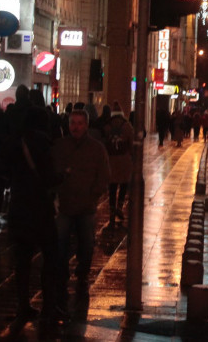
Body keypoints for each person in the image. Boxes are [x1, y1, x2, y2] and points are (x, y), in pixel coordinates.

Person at [3, 105, 61, 325]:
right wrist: (62, 177)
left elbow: (1, 164)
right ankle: (49, 306)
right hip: (40, 208)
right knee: (51, 256)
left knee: (22, 260)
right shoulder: (45, 144)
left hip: (19, 207)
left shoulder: (16, 141)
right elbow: (48, 177)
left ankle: (23, 305)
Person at [52, 108, 109, 318]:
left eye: (79, 123)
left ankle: (82, 273)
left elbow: (103, 175)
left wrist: (93, 194)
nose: (76, 127)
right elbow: (54, 172)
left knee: (87, 243)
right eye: (73, 123)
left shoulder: (96, 148)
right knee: (61, 242)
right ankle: (62, 274)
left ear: (86, 125)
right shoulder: (60, 146)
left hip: (86, 205)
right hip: (66, 205)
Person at [102, 101, 135, 230]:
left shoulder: (107, 126)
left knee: (112, 186)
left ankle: (111, 209)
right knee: (123, 184)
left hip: (110, 159)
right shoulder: (127, 126)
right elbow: (131, 143)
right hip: (124, 159)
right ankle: (120, 207)